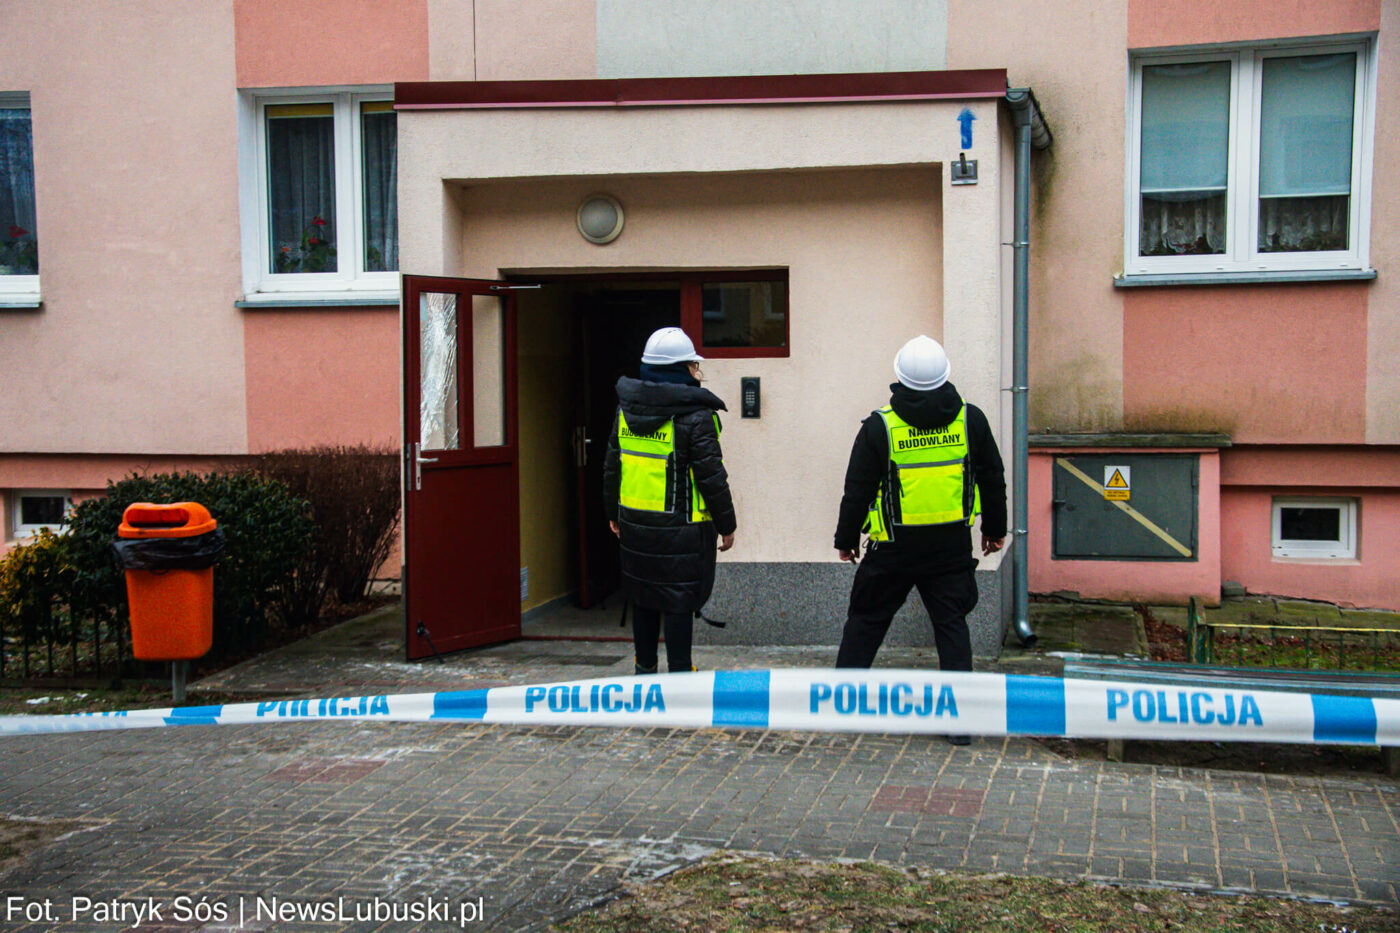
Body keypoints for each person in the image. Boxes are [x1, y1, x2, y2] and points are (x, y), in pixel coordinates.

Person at [833, 335, 1007, 744]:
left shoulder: (880, 426)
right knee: (951, 627)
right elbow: (992, 478)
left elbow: (857, 488)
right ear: (946, 376)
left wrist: (846, 539)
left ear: (899, 378)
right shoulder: (970, 420)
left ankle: (842, 707)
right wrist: (994, 530)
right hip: (949, 548)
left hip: (892, 549)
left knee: (866, 621)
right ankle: (959, 724)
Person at [603, 326, 737, 675]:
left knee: (644, 598)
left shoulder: (625, 411)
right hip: (683, 530)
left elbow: (612, 466)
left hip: (635, 525)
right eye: (693, 365)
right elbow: (712, 477)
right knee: (679, 601)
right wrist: (727, 526)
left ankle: (644, 671)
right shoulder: (696, 416)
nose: (697, 371)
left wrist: (612, 513)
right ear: (678, 369)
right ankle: (680, 675)